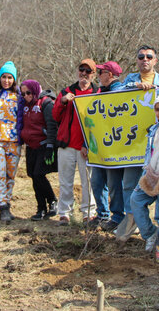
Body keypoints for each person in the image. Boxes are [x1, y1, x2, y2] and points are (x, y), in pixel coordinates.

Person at [116, 45, 159, 240]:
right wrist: (134, 87)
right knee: (129, 184)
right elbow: (115, 94)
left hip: (156, 143)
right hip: (131, 142)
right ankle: (132, 221)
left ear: (155, 60)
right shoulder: (130, 80)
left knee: (158, 184)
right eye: (141, 57)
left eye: (149, 56)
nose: (144, 59)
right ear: (136, 60)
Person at [53, 59, 99, 225]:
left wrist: (89, 144)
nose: (84, 74)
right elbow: (55, 116)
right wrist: (63, 101)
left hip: (87, 147)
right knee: (65, 181)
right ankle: (64, 212)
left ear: (93, 74)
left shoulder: (98, 93)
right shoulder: (66, 91)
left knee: (88, 181)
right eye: (82, 70)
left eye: (88, 71)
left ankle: (89, 212)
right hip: (67, 144)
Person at [130, 92, 159, 252]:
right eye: (157, 109)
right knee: (135, 200)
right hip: (150, 172)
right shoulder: (154, 129)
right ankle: (150, 234)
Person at [0, 61, 24, 223]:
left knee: (11, 174)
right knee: (0, 173)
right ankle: (2, 206)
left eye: (10, 77)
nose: (6, 80)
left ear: (14, 79)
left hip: (14, 141)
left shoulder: (19, 97)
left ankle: (7, 203)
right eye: (4, 77)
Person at [90, 61, 124, 231]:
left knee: (113, 183)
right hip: (99, 148)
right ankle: (103, 214)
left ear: (109, 74)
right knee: (96, 181)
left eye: (100, 71)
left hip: (114, 147)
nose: (97, 74)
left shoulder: (119, 92)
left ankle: (118, 217)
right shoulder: (100, 91)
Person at [20, 79, 58, 221]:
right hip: (30, 146)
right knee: (33, 176)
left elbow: (52, 125)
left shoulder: (45, 103)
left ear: (35, 90)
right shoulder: (24, 105)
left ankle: (52, 200)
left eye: (28, 92)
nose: (26, 96)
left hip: (43, 144)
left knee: (38, 174)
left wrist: (50, 145)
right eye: (23, 93)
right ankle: (41, 208)